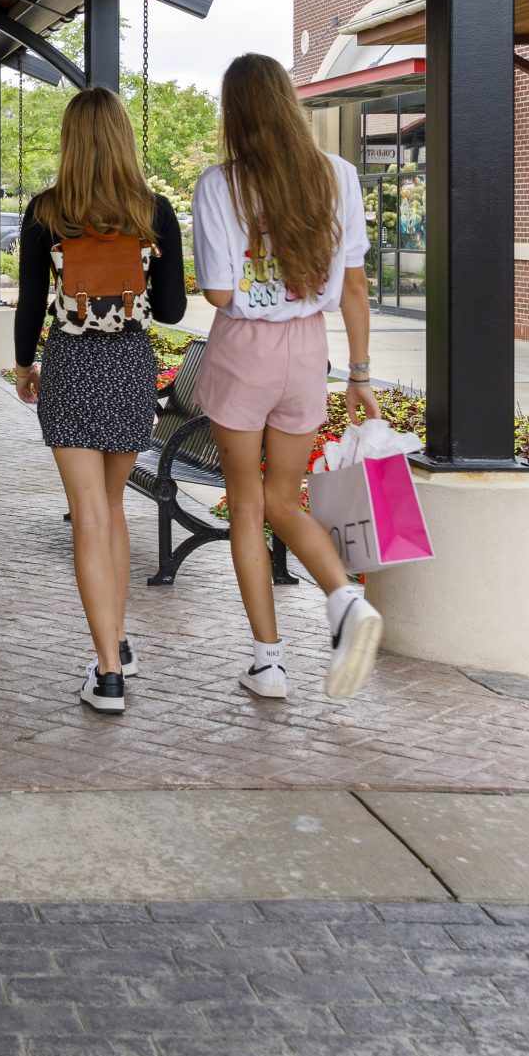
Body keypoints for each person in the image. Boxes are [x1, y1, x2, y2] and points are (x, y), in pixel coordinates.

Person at [190, 52, 383, 701]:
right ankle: (343, 599)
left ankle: (268, 663)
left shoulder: (220, 186)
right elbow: (354, 283)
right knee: (285, 499)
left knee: (248, 504)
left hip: (245, 349)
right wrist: (359, 373)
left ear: (235, 112)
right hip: (309, 351)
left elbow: (218, 293)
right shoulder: (339, 176)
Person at [12, 87, 187, 715]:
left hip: (70, 364)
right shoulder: (154, 211)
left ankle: (108, 672)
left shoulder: (46, 212)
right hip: (129, 367)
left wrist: (25, 367)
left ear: (69, 142)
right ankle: (117, 639)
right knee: (112, 511)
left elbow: (31, 302)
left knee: (88, 514)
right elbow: (170, 310)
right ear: (122, 138)